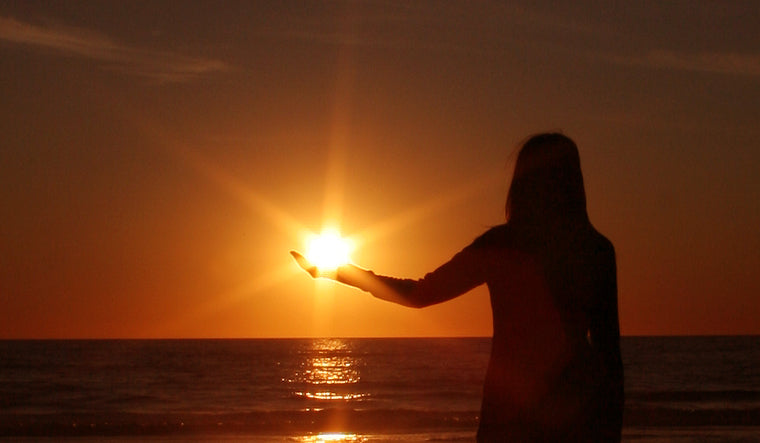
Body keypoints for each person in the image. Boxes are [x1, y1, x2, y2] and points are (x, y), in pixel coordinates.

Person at [291, 133, 624, 442]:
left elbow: (420, 294)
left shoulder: (504, 245)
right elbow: (610, 356)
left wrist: (339, 272)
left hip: (512, 413)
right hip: (576, 410)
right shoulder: (595, 249)